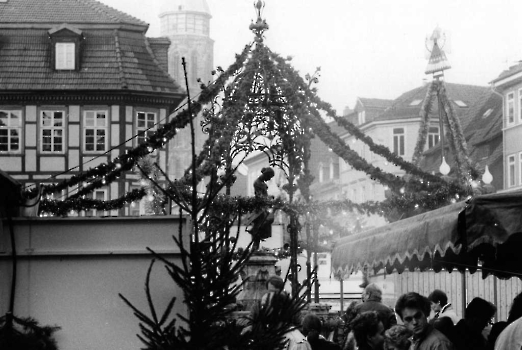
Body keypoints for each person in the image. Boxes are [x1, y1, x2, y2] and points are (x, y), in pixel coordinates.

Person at [246, 167, 275, 249]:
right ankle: (255, 244)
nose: (269, 179)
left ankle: (256, 243)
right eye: (269, 177)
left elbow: (263, 196)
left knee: (265, 223)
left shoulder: (261, 183)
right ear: (266, 175)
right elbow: (259, 197)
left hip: (264, 206)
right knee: (259, 225)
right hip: (260, 208)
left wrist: (269, 197)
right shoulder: (257, 183)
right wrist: (268, 199)